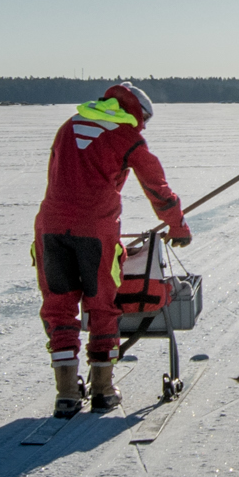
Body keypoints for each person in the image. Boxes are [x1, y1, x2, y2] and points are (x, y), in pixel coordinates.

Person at [33, 82, 189, 417]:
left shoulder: (70, 125)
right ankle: (103, 390)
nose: (144, 125)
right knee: (102, 305)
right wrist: (177, 225)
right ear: (136, 111)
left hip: (51, 228)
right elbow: (156, 186)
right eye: (144, 118)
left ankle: (66, 394)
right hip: (95, 230)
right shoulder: (125, 136)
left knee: (59, 309)